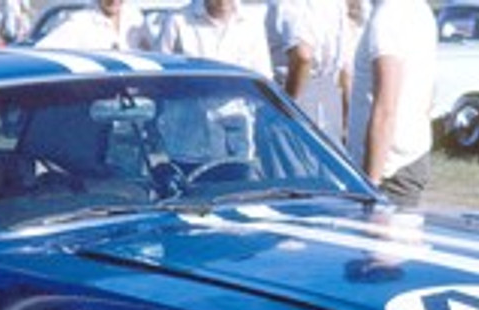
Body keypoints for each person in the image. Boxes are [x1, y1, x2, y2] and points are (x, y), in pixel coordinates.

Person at [344, 0, 436, 207]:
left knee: (379, 238)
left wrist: (370, 188)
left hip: (389, 170)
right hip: (408, 158)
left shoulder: (387, 17)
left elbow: (385, 109)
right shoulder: (418, 9)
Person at [269, 0, 353, 142]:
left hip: (298, 97)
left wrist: (285, 110)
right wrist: (347, 122)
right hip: (331, 101)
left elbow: (303, 55)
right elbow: (346, 72)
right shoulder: (335, 4)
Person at [157, 0, 272, 77]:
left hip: (240, 111)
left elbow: (263, 75)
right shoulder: (177, 20)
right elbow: (158, 71)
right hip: (189, 109)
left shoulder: (252, 23)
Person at [35, 0, 153, 50]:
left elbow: (152, 53)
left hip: (134, 98)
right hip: (97, 98)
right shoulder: (80, 22)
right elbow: (42, 52)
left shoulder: (134, 17)